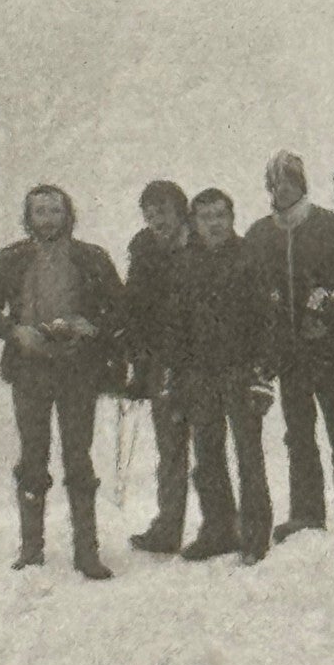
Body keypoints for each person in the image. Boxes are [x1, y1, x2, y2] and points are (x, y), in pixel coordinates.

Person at [0, 185, 125, 579]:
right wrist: (14, 331)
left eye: (55, 211)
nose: (48, 219)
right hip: (30, 368)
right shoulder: (12, 259)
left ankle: (87, 551)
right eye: (40, 211)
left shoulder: (91, 258)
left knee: (79, 454)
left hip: (78, 369)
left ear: (68, 214)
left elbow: (122, 309)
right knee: (32, 454)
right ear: (28, 217)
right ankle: (31, 547)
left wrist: (90, 327)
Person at [160, 189, 277, 563]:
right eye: (206, 216)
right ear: (194, 221)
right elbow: (175, 326)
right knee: (207, 455)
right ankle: (218, 530)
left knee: (249, 455)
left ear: (232, 218)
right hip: (199, 375)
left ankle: (256, 537)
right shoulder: (183, 263)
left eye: (221, 215)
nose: (214, 224)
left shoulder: (251, 258)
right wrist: (176, 377)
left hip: (242, 371)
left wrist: (263, 373)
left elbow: (269, 321)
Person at [242, 150, 334, 543]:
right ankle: (307, 514)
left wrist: (329, 302)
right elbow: (249, 290)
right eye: (276, 182)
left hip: (330, 351)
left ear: (303, 184)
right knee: (298, 433)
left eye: (291, 181)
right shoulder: (260, 234)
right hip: (288, 355)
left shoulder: (329, 226)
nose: (283, 189)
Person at [123, 180, 193, 555]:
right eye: (149, 215)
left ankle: (226, 523)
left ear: (180, 210)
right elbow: (133, 309)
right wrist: (138, 361)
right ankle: (168, 528)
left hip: (207, 360)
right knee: (171, 449)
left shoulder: (205, 243)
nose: (156, 221)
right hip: (163, 362)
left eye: (162, 212)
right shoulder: (143, 250)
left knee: (215, 447)